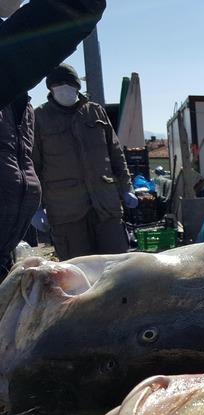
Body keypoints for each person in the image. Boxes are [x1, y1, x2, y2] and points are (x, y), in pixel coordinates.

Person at [1, 0, 105, 280]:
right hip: (65, 209)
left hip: (101, 204)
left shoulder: (91, 112)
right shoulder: (43, 113)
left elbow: (113, 153)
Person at [32, 64, 137, 261]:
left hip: (106, 207)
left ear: (78, 86)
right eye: (58, 84)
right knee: (78, 273)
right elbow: (32, 167)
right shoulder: (39, 118)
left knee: (117, 268)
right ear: (50, 88)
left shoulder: (96, 112)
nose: (64, 88)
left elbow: (115, 154)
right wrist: (35, 208)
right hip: (66, 213)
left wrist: (126, 187)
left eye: (69, 83)